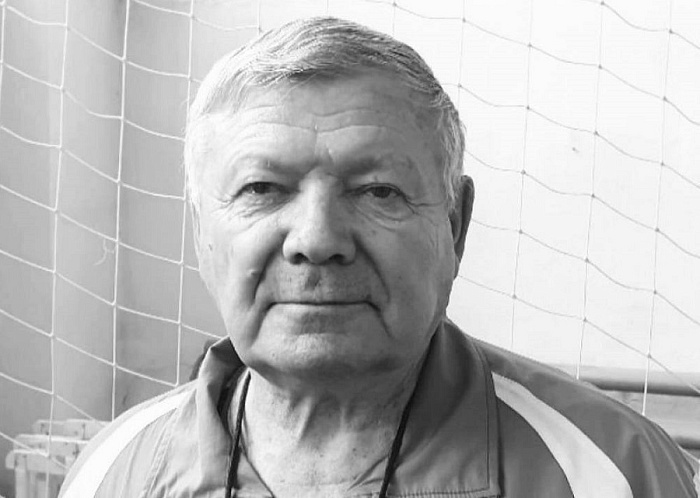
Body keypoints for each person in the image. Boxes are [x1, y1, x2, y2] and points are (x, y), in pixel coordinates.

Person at [60, 17, 699, 498]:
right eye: (262, 189)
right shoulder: (107, 474)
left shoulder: (615, 473)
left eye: (377, 191)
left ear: (455, 225)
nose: (317, 239)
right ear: (202, 231)